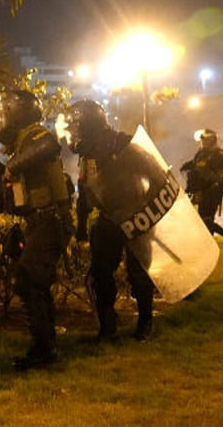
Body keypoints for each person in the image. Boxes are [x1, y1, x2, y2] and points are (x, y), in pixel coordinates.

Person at [0, 89, 73, 370]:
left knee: (27, 280)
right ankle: (48, 346)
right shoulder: (21, 144)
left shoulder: (35, 134)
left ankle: (43, 350)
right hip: (40, 221)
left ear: (15, 113)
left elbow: (48, 146)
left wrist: (11, 167)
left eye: (1, 114)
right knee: (37, 283)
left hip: (50, 220)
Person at [65, 100, 156, 342]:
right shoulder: (87, 154)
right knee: (100, 272)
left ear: (88, 124)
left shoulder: (124, 143)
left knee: (139, 272)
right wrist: (82, 225)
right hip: (107, 218)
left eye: (76, 127)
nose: (73, 133)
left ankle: (145, 323)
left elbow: (155, 173)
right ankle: (108, 325)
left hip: (136, 216)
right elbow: (85, 190)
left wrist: (146, 206)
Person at [180, 129, 223, 250]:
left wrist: (198, 170)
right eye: (202, 141)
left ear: (211, 140)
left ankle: (213, 243)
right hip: (202, 189)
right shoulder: (201, 153)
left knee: (206, 218)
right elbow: (195, 164)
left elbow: (213, 170)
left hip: (214, 189)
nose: (202, 143)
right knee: (205, 219)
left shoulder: (220, 153)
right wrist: (186, 166)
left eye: (205, 140)